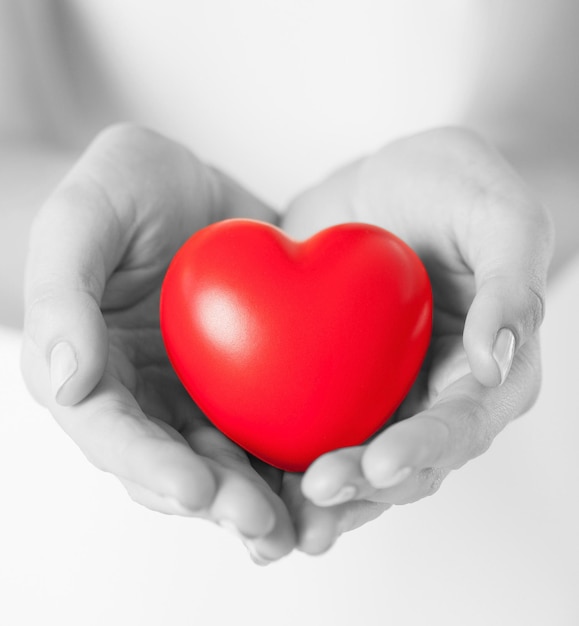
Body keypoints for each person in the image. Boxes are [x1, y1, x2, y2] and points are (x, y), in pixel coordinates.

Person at [2, 0, 574, 565]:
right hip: (75, 524)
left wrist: (492, 203)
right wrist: (71, 255)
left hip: (514, 496)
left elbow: (557, 117)